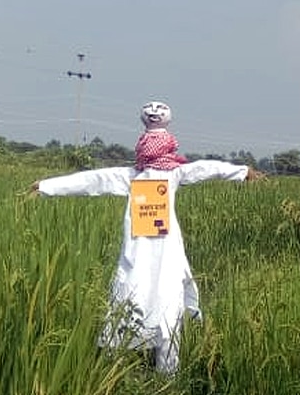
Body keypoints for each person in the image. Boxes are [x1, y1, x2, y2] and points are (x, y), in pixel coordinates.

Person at [29, 101, 263, 374]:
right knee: (137, 295)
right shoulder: (137, 176)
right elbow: (91, 180)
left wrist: (242, 172)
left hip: (160, 251)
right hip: (140, 250)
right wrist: (46, 187)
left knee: (158, 297)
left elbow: (205, 168)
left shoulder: (165, 174)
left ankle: (156, 370)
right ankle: (121, 368)